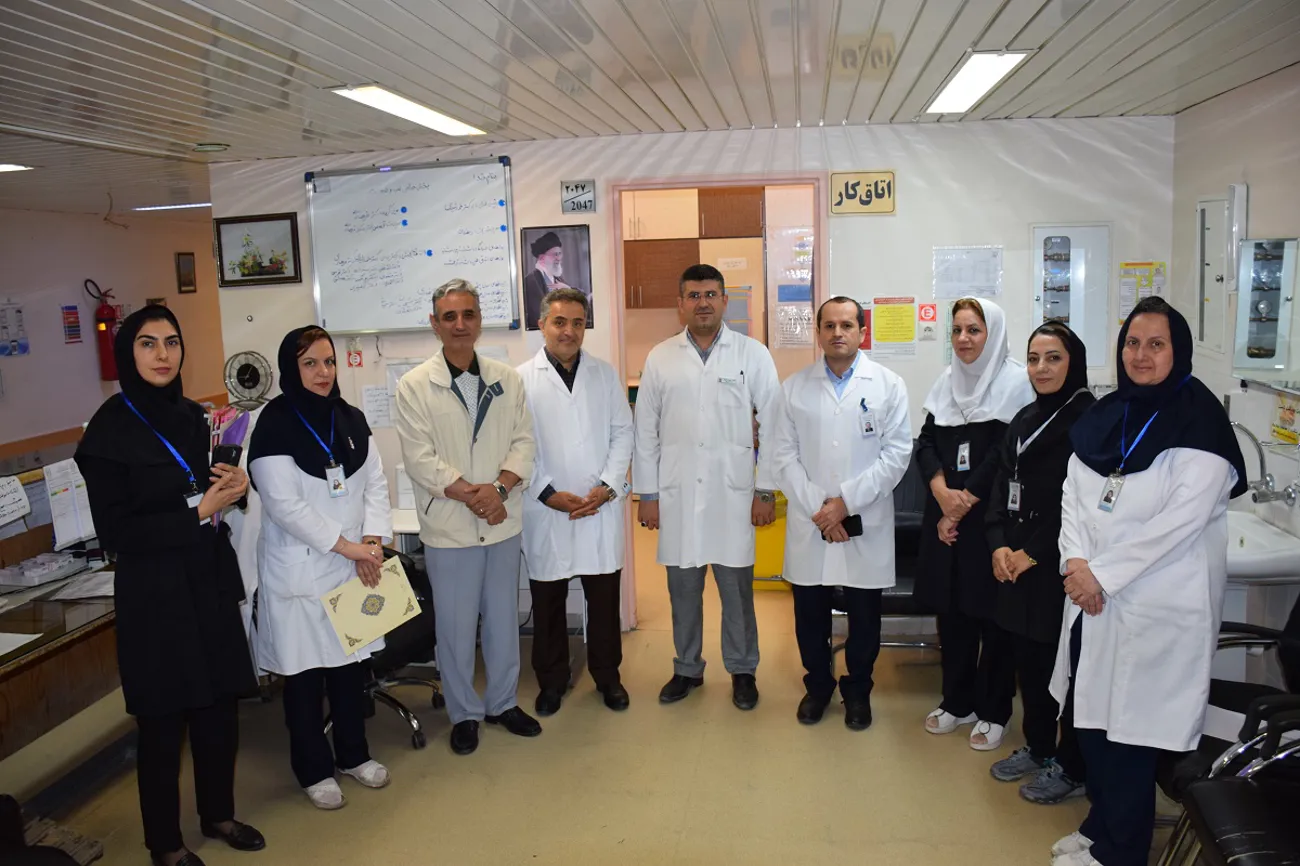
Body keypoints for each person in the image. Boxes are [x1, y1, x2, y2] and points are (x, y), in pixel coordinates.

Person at [1046, 297, 1247, 866]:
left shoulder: (1202, 423)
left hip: (1156, 605)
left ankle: (1121, 851)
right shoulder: (1110, 413)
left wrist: (1101, 575)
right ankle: (1100, 827)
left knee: (1130, 736)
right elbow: (1072, 494)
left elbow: (1178, 524)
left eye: (1156, 344)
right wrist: (1075, 563)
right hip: (1090, 600)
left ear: (1178, 350)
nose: (1141, 355)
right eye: (1133, 343)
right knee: (1092, 725)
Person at [75, 306, 264, 866]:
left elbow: (214, 494)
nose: (163, 355)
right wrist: (197, 511)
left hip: (206, 580)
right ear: (126, 353)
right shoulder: (106, 432)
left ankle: (219, 814)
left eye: (172, 343)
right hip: (154, 594)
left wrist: (236, 486)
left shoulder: (195, 418)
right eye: (148, 343)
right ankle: (165, 844)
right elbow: (116, 533)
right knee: (162, 723)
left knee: (218, 710)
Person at [247, 326, 393, 810]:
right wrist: (350, 548)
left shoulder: (349, 418)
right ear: (291, 368)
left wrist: (372, 542)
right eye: (310, 363)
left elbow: (376, 483)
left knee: (350, 671)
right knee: (305, 679)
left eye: (329, 361)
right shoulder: (272, 424)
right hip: (302, 570)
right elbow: (285, 506)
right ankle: (313, 770)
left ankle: (354, 755)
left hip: (354, 564)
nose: (323, 372)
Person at [395, 278, 539, 756]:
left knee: (502, 620)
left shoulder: (507, 378)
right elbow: (421, 459)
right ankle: (463, 713)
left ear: (479, 320)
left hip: (501, 521)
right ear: (434, 324)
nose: (460, 324)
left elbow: (523, 443)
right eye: (450, 316)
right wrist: (474, 495)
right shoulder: (414, 386)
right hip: (450, 526)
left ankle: (502, 703)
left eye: (469, 314)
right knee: (454, 629)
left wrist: (498, 490)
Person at [633, 264, 781, 710]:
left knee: (737, 594)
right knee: (683, 593)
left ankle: (743, 670)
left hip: (733, 494)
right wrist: (648, 495)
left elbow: (774, 424)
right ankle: (687, 668)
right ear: (680, 303)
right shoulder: (661, 357)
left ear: (724, 301)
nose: (703, 303)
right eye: (694, 295)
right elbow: (645, 430)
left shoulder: (752, 354)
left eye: (711, 295)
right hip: (677, 495)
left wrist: (765, 489)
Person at [772, 297, 911, 730]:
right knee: (809, 615)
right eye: (829, 325)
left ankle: (858, 691)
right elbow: (782, 456)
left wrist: (845, 503)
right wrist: (823, 508)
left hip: (863, 517)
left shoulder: (888, 385)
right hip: (812, 518)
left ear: (862, 332)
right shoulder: (793, 388)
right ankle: (817, 687)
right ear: (818, 333)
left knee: (865, 617)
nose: (838, 333)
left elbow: (897, 455)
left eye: (847, 325)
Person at [916, 297, 1034, 750]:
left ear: (993, 334)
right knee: (953, 614)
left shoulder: (1017, 383)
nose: (963, 339)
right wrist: (941, 493)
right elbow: (927, 442)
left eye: (974, 330)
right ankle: (956, 701)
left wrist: (961, 503)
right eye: (957, 330)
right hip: (946, 517)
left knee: (993, 617)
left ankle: (994, 709)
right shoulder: (946, 381)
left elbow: (1004, 454)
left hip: (989, 519)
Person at [984, 322, 1094, 805]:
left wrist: (1031, 553)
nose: (1041, 368)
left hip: (1056, 566)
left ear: (1074, 362)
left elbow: (1075, 504)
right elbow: (1000, 486)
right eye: (1033, 359)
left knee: (1061, 668)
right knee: (1028, 662)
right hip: (1013, 562)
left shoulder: (1089, 421)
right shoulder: (1026, 417)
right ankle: (1038, 746)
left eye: (1053, 358)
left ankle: (1070, 766)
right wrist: (997, 545)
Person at [518, 288, 634, 715]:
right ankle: (552, 681)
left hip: (598, 505)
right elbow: (515, 445)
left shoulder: (604, 374)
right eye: (559, 322)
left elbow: (623, 432)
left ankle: (608, 677)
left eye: (578, 323)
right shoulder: (519, 380)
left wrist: (607, 486)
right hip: (546, 508)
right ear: (542, 325)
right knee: (547, 602)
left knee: (603, 602)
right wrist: (548, 493)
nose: (569, 331)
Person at [523, 231, 592, 330]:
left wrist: (568, 289)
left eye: (560, 254)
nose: (558, 258)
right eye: (555, 254)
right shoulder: (531, 281)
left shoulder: (558, 279)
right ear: (542, 258)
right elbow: (538, 315)